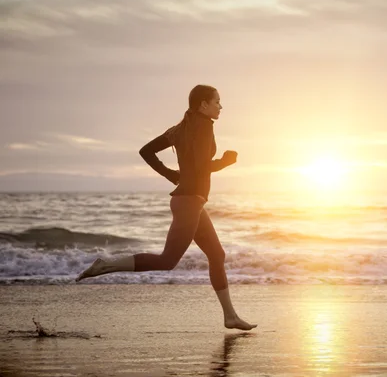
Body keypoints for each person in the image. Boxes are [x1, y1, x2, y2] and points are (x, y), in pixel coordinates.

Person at [76, 85, 257, 331]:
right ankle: (105, 265)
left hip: (191, 201)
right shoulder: (203, 127)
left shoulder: (180, 128)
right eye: (217, 102)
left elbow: (146, 151)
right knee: (168, 260)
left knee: (217, 255)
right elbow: (202, 167)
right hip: (189, 201)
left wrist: (171, 174)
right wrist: (225, 162)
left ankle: (230, 317)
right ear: (203, 104)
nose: (220, 107)